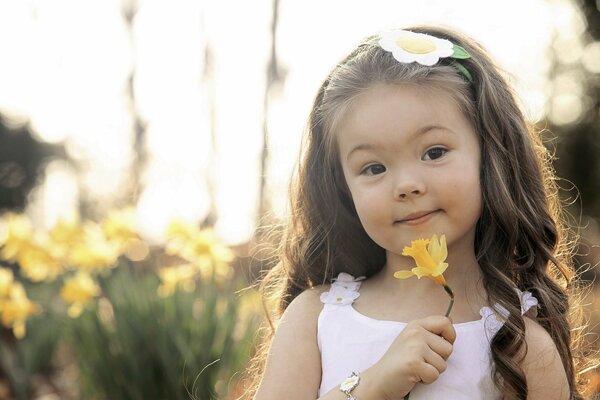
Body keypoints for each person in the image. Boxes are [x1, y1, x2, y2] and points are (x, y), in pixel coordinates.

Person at [243, 25, 596, 399]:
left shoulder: (520, 347)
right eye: (374, 168)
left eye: (434, 152)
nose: (407, 185)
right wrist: (372, 386)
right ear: (343, 189)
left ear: (491, 157)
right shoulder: (316, 319)